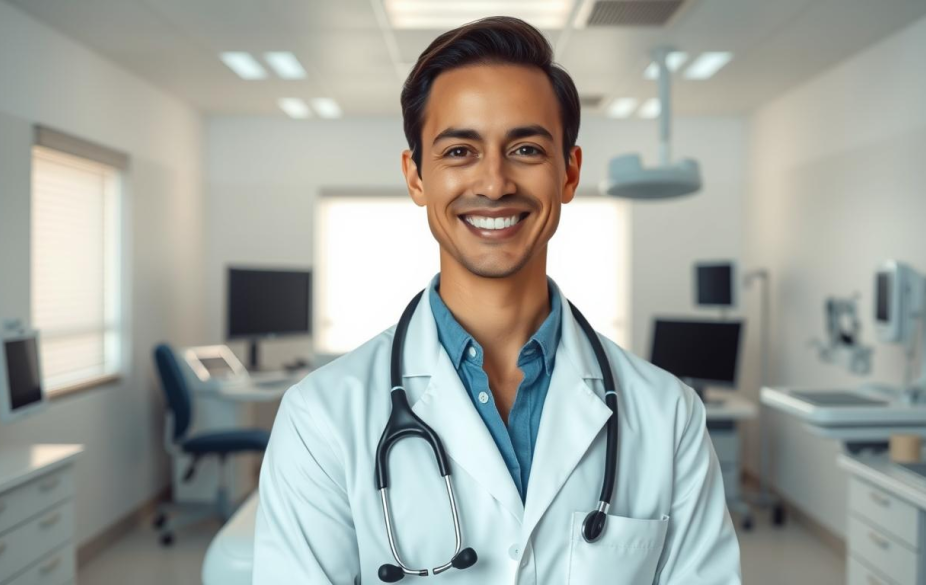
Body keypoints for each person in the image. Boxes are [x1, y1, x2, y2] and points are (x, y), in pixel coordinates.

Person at [253, 16, 741, 584]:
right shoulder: (322, 418)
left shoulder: (668, 416)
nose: (493, 183)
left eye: (526, 148)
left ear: (569, 172)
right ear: (416, 177)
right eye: (460, 150)